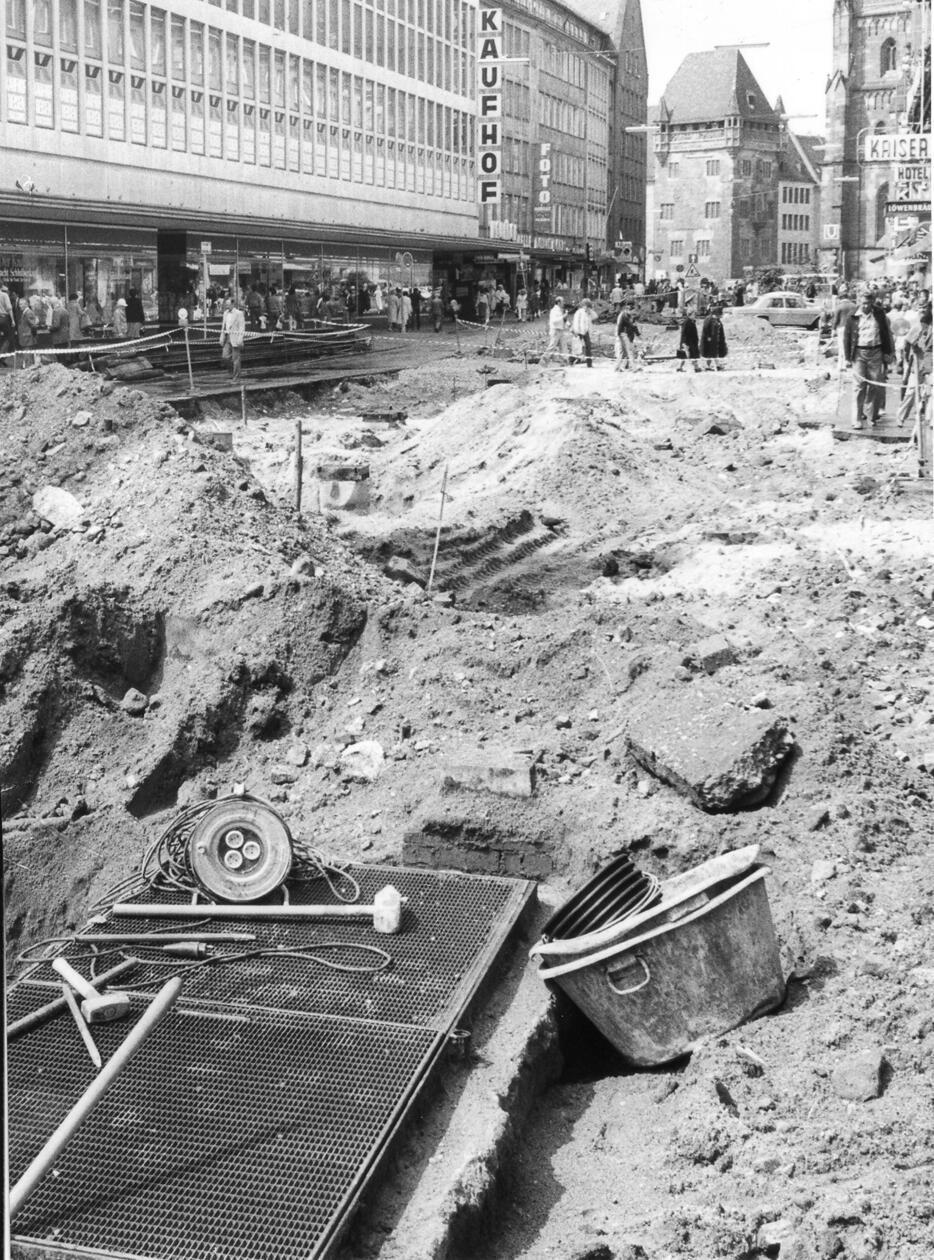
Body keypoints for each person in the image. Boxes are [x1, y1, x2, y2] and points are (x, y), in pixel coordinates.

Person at [845, 286, 894, 429]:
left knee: (874, 385)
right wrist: (847, 358)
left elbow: (886, 333)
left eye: (868, 302)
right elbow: (846, 337)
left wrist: (888, 353)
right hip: (859, 353)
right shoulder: (852, 315)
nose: (866, 306)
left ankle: (871, 416)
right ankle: (857, 418)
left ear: (872, 301)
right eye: (863, 303)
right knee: (859, 386)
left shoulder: (879, 313)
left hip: (876, 353)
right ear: (859, 301)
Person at [896, 301, 932, 431]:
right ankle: (901, 416)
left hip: (930, 365)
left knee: (928, 393)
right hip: (918, 363)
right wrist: (906, 359)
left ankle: (925, 420)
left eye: (925, 308)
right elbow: (906, 344)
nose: (923, 310)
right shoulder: (917, 326)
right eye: (921, 308)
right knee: (911, 392)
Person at [219, 297, 246, 382]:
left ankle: (236, 377)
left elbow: (242, 327)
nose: (227, 305)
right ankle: (231, 373)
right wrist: (221, 335)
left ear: (232, 304)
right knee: (225, 357)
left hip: (235, 337)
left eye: (228, 304)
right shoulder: (225, 313)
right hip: (227, 337)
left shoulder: (239, 313)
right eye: (226, 304)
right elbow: (223, 325)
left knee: (236, 358)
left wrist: (240, 338)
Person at [832, 285, 856, 372]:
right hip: (853, 327)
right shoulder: (854, 306)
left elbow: (836, 319)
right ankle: (851, 362)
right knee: (852, 345)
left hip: (842, 327)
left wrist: (833, 329)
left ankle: (841, 365)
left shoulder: (839, 307)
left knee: (841, 346)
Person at [700, 305, 728, 370]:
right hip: (709, 340)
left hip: (716, 340)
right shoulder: (708, 319)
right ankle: (711, 366)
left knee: (714, 353)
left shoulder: (717, 320)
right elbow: (705, 329)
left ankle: (716, 365)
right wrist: (708, 337)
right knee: (710, 353)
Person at [571, 298, 595, 367]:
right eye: (588, 306)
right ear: (585, 305)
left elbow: (589, 322)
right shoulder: (579, 312)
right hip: (579, 331)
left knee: (588, 346)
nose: (588, 308)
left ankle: (589, 363)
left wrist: (589, 331)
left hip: (585, 331)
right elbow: (576, 322)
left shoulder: (587, 313)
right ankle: (572, 360)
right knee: (577, 347)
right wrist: (576, 331)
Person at [676, 305, 700, 372]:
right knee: (691, 355)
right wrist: (684, 343)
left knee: (687, 355)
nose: (695, 315)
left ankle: (680, 367)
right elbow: (684, 333)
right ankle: (696, 367)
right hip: (688, 342)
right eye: (694, 314)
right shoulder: (687, 322)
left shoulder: (692, 322)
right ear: (690, 314)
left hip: (692, 342)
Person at [615, 306, 640, 371]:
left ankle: (618, 367)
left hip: (628, 336)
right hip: (623, 335)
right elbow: (620, 326)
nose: (633, 313)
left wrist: (638, 334)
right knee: (628, 351)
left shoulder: (631, 316)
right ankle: (633, 368)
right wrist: (619, 336)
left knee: (624, 352)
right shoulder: (623, 316)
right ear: (627, 310)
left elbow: (634, 327)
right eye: (632, 311)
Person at [544, 296, 567, 362]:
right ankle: (544, 361)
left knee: (563, 346)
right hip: (555, 330)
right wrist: (563, 317)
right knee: (552, 346)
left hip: (560, 330)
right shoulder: (554, 310)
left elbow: (562, 320)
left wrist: (567, 322)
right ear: (559, 302)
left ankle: (565, 361)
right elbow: (554, 321)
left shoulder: (560, 310)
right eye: (563, 301)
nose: (564, 303)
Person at [0, 283, 15, 356]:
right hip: (3, 319)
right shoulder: (4, 295)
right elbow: (9, 308)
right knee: (8, 337)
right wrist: (12, 320)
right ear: (1, 287)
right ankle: (1, 356)